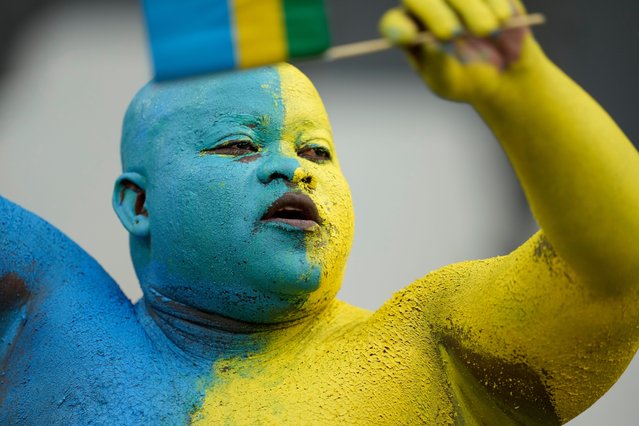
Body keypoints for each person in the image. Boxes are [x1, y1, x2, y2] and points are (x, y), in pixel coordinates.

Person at [1, 0, 638, 423]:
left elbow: (616, 274)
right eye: (238, 145)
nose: (293, 168)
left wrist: (521, 87)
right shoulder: (42, 322)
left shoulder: (425, 352)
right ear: (138, 203)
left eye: (317, 150)